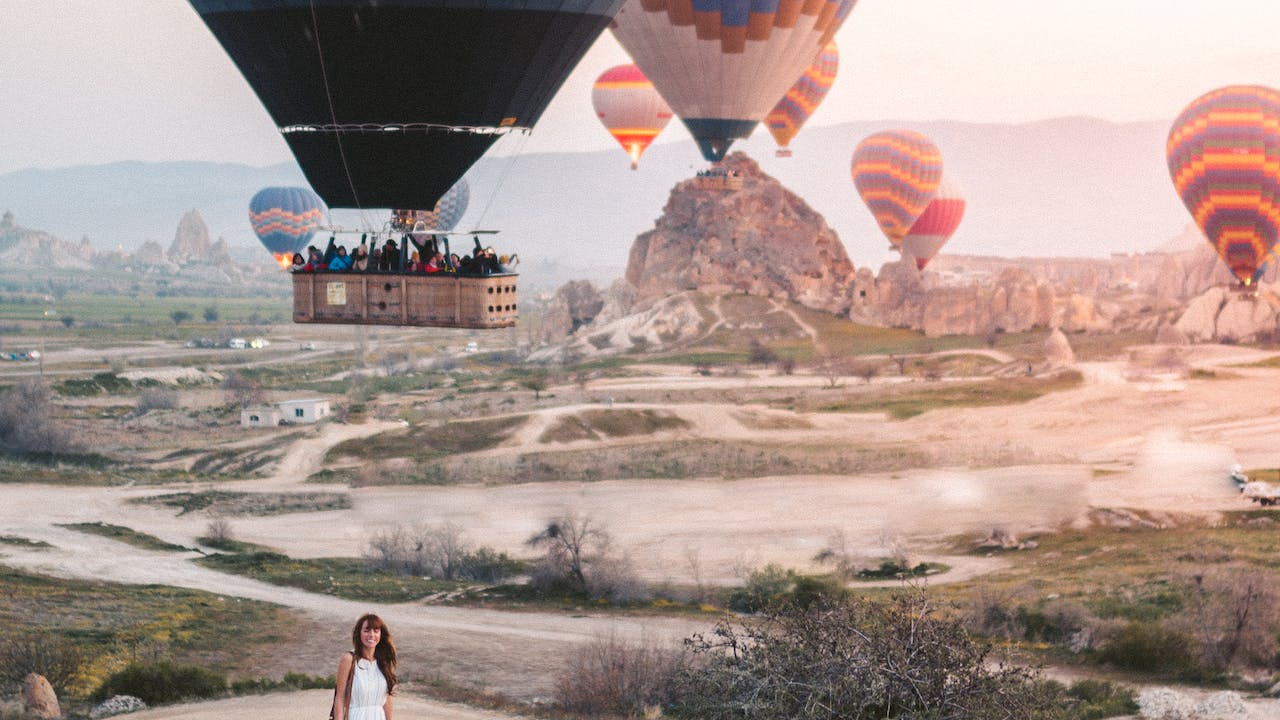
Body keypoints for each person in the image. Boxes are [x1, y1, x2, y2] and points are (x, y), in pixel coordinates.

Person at [331, 613, 396, 720]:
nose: (371, 635)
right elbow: (340, 698)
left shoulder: (383, 662)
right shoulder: (348, 659)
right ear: (359, 633)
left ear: (381, 634)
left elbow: (386, 699)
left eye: (376, 631)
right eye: (366, 630)